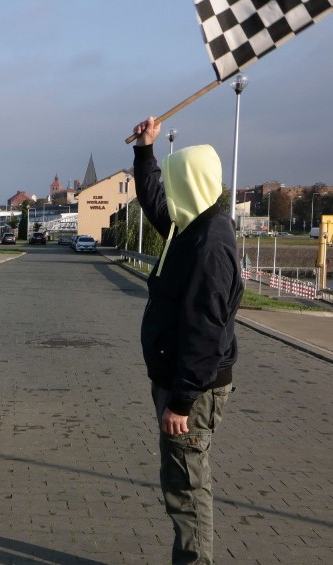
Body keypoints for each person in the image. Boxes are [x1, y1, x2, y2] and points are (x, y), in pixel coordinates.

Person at [132, 116, 243, 564]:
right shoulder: (189, 226)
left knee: (188, 488)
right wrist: (145, 152)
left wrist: (180, 402)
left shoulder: (210, 245)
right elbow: (157, 202)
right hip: (182, 382)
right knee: (181, 482)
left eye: (176, 181)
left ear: (191, 184)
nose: (170, 191)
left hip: (192, 391)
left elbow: (205, 332)